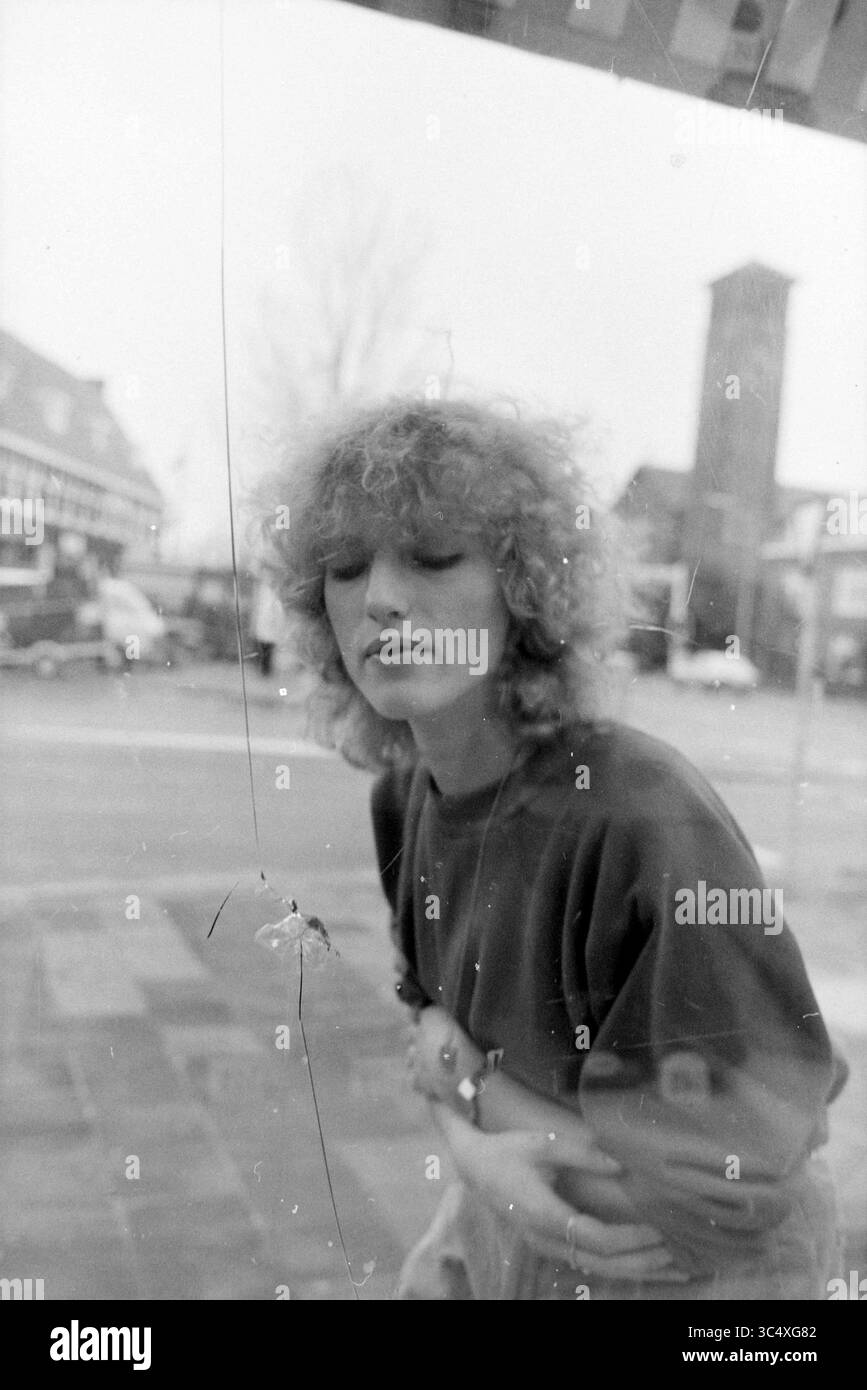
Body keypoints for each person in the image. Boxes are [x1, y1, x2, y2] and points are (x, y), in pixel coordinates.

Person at [261, 397, 846, 1300]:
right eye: (343, 567)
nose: (378, 598)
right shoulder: (404, 793)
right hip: (513, 1208)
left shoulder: (640, 815)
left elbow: (716, 1194)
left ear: (525, 588)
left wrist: (469, 1097)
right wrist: (478, 1157)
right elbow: (428, 1024)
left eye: (433, 555)